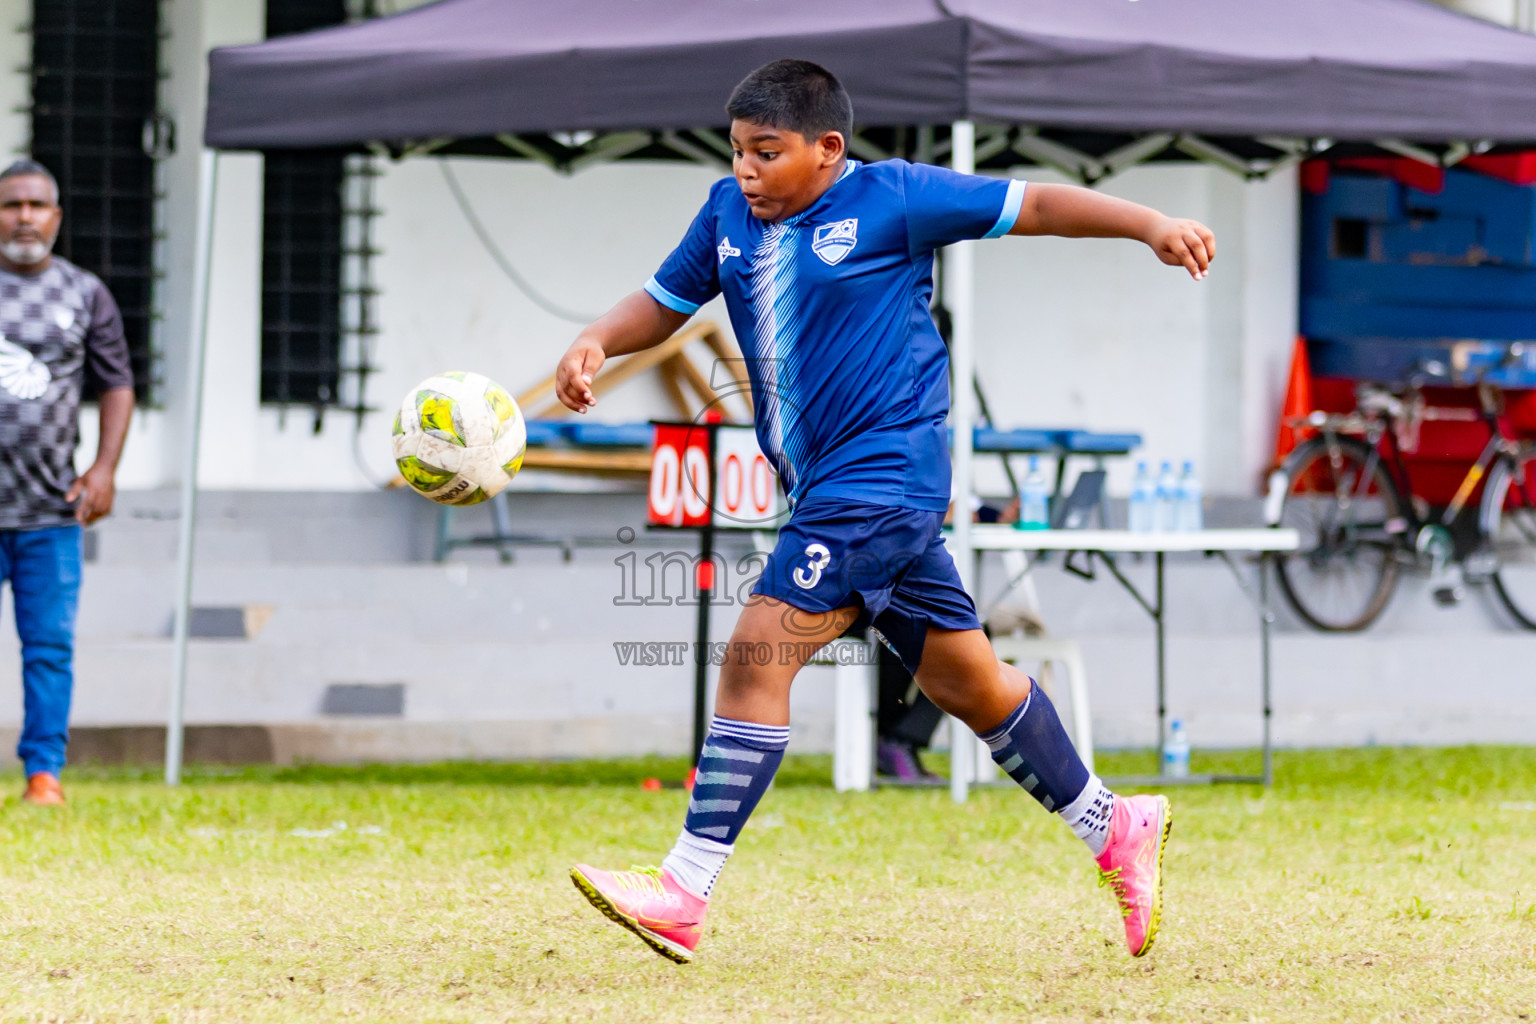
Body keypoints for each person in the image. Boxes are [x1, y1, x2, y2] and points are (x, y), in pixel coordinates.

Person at [558, 60, 1214, 963]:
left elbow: (1036, 206)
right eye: (739, 150)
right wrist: (595, 339)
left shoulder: (896, 199)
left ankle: (684, 888)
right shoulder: (726, 214)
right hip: (829, 485)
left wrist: (1150, 226)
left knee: (758, 652)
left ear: (829, 150)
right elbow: (663, 303)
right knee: (966, 685)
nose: (747, 169)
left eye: (768, 152)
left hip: (883, 478)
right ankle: (1116, 825)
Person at [0, 159, 134, 805]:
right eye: (10, 205)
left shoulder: (85, 293)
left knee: (48, 649)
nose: (23, 216)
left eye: (36, 205)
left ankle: (43, 775)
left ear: (56, 217)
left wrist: (104, 469)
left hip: (49, 512)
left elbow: (116, 384)